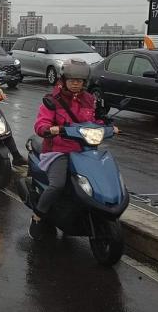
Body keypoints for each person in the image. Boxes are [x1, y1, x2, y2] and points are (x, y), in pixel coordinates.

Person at [31, 60, 117, 232]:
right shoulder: (52, 100)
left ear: (85, 82)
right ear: (64, 79)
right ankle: (38, 216)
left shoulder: (89, 100)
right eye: (72, 79)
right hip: (59, 149)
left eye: (80, 80)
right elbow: (41, 123)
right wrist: (49, 129)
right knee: (57, 185)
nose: (76, 83)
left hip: (84, 149)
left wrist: (108, 126)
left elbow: (94, 121)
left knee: (101, 177)